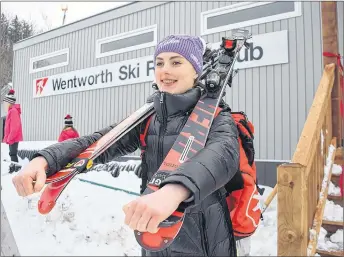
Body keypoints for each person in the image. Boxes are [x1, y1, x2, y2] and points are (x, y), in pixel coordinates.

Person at [12, 35, 240, 256]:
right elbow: (98, 141)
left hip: (205, 239)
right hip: (153, 235)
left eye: (176, 62)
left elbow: (222, 156)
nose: (165, 70)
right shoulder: (149, 118)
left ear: (196, 71)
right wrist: (43, 160)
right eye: (159, 63)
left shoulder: (218, 116)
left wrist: (174, 191)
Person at [2, 89, 23, 164]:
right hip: (12, 138)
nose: (5, 104)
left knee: (13, 154)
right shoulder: (11, 111)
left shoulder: (13, 111)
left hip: (13, 138)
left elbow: (15, 127)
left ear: (9, 102)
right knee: (12, 154)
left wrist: (10, 138)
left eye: (6, 102)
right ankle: (13, 167)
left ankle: (15, 168)